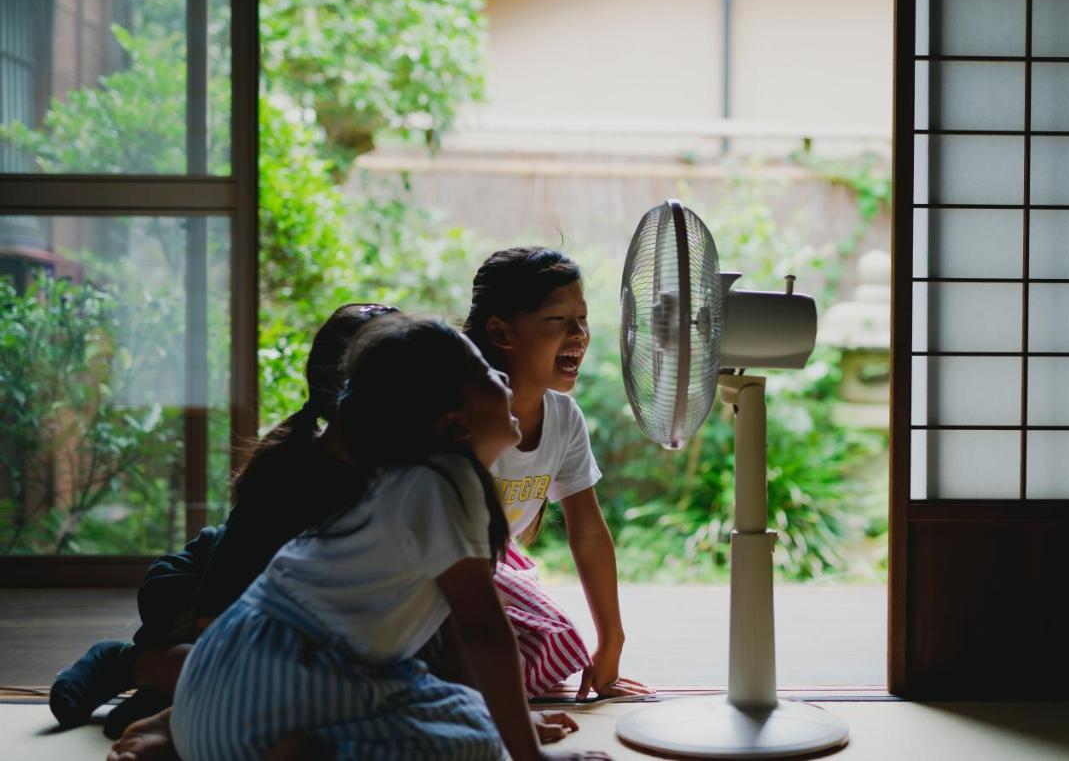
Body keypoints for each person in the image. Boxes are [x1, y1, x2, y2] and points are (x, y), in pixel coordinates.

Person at [164, 314, 607, 760]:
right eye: (485, 374)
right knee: (472, 746)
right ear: (454, 424)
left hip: (219, 696)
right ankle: (311, 751)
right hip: (271, 693)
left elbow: (453, 634)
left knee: (470, 720)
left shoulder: (405, 478)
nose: (504, 378)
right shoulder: (444, 484)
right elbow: (484, 632)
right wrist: (530, 757)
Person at [50, 303, 398, 737]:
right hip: (197, 592)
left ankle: (166, 691)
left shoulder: (397, 469)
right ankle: (129, 663)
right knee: (264, 678)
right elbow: (216, 612)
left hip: (279, 611)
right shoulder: (285, 475)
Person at [464, 247, 647, 700]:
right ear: (502, 332)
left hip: (488, 561)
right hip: (431, 566)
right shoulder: (463, 417)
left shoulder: (563, 418)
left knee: (555, 644)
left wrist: (612, 642)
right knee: (489, 656)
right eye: (558, 320)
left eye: (582, 320)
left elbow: (587, 532)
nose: (579, 335)